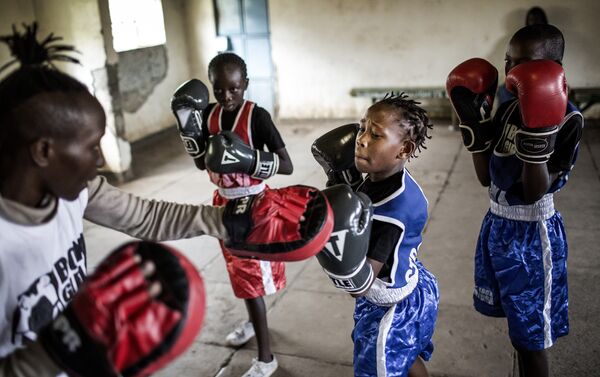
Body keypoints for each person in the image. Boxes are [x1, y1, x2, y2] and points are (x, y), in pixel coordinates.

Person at [0, 24, 332, 376]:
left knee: (252, 283)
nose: (99, 160)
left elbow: (146, 216)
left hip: (242, 198)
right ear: (44, 151)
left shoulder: (77, 192)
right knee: (246, 285)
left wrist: (230, 219)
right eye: (90, 146)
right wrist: (51, 355)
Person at [446, 24, 583, 377]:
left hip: (533, 234)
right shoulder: (508, 108)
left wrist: (538, 135)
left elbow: (535, 190)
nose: (511, 73)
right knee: (515, 329)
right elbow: (484, 177)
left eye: (523, 65)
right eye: (509, 62)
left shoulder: (568, 118)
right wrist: (472, 122)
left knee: (531, 337)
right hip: (497, 223)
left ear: (554, 69)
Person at [173, 52, 292, 377]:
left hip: (253, 204)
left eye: (235, 89)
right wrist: (188, 127)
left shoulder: (258, 117)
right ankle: (253, 324)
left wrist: (248, 159)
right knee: (240, 277)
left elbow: (287, 165)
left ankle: (267, 359)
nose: (227, 96)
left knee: (251, 280)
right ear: (212, 87)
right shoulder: (209, 114)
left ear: (246, 85)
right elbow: (203, 163)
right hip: (222, 203)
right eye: (220, 89)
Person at [312, 94, 439, 377]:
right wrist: (344, 183)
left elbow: (360, 284)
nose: (361, 139)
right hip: (415, 284)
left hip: (390, 308)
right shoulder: (389, 178)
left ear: (404, 148)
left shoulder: (391, 215)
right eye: (362, 128)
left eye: (376, 134)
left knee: (377, 368)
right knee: (406, 356)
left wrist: (329, 239)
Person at [497, 6, 550, 104]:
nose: (534, 22)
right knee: (503, 90)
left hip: (542, 80)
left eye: (538, 19)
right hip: (522, 78)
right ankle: (508, 116)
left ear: (544, 21)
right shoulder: (521, 39)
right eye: (531, 19)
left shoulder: (549, 40)